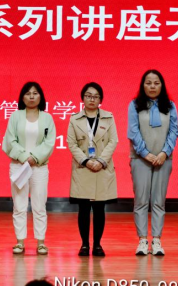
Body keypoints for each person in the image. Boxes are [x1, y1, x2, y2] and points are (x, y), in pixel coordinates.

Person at [127, 70, 178, 256]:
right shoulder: (134, 105)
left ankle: (157, 240)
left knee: (158, 201)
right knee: (141, 200)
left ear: (162, 85)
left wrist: (164, 153)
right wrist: (146, 154)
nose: (152, 86)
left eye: (156, 83)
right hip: (140, 159)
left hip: (164, 159)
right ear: (143, 85)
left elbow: (174, 131)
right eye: (148, 83)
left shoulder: (170, 106)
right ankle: (142, 240)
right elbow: (133, 132)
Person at [2, 82, 56, 255]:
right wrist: (25, 157)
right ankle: (19, 242)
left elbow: (49, 143)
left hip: (39, 167)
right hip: (19, 166)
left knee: (39, 205)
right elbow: (10, 140)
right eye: (27, 93)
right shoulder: (15, 116)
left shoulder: (47, 118)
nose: (31, 96)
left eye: (35, 93)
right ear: (22, 97)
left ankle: (41, 242)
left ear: (41, 96)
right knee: (19, 205)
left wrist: (34, 158)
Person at [67, 82, 118, 257]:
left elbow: (113, 141)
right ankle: (84, 245)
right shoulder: (74, 119)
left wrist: (101, 161)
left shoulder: (108, 118)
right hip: (83, 168)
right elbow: (71, 144)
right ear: (83, 98)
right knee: (83, 209)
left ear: (100, 100)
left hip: (102, 168)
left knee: (99, 209)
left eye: (95, 96)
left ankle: (97, 245)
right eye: (88, 96)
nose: (92, 99)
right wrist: (86, 161)